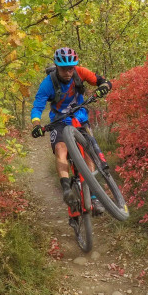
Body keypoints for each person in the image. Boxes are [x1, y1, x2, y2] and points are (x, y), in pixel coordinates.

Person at [30, 47, 112, 212]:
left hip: (80, 118)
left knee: (89, 154)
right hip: (59, 121)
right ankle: (67, 189)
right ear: (56, 66)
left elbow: (103, 81)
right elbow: (37, 107)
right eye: (63, 69)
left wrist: (104, 86)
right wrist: (37, 125)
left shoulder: (80, 72)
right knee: (61, 149)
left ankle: (94, 199)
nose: (68, 72)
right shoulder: (48, 83)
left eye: (71, 68)